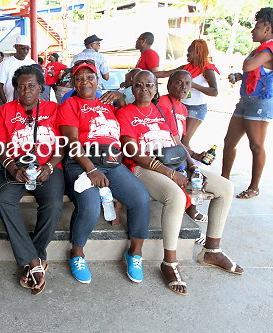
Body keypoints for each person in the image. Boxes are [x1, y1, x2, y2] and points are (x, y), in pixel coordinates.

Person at [116, 70, 243, 296]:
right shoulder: (125, 113)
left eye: (149, 84)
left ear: (156, 87)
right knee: (174, 196)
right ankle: (169, 263)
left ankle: (212, 250)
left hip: (175, 164)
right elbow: (133, 152)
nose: (144, 89)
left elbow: (177, 142)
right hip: (144, 168)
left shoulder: (163, 112)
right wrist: (171, 174)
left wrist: (194, 167)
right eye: (139, 85)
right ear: (132, 87)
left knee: (225, 187)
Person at [57, 61, 150, 285]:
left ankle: (135, 254)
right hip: (81, 163)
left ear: (98, 80)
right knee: (89, 205)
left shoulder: (109, 103)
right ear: (73, 83)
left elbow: (132, 107)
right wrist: (91, 169)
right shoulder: (70, 104)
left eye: (90, 77)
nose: (85, 82)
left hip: (111, 161)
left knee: (140, 198)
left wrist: (120, 94)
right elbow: (71, 142)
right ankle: (77, 253)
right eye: (79, 79)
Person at [0, 65, 64, 295]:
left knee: (54, 204)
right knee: (3, 200)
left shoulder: (54, 109)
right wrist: (14, 169)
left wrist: (49, 167)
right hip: (17, 168)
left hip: (48, 167)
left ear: (41, 88)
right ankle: (36, 261)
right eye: (21, 86)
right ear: (14, 88)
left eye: (31, 86)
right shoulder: (5, 111)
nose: (26, 91)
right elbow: (1, 148)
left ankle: (31, 257)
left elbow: (63, 146)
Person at [222, 7, 273, 199]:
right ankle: (224, 179)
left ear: (267, 27)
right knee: (229, 142)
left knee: (256, 145)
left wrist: (243, 69)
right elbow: (254, 71)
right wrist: (239, 76)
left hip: (260, 103)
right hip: (246, 100)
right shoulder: (260, 49)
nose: (253, 30)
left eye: (257, 26)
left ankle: (254, 187)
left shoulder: (269, 49)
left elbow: (249, 65)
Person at [158, 70, 208, 223]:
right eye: (179, 82)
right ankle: (189, 222)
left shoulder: (183, 109)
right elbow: (168, 140)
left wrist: (196, 156)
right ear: (169, 85)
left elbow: (181, 142)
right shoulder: (162, 103)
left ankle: (191, 216)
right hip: (163, 156)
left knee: (198, 178)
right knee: (189, 178)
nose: (184, 87)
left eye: (187, 83)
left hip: (177, 153)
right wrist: (190, 162)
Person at [154, 39, 219, 150]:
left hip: (196, 108)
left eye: (190, 52)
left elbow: (214, 91)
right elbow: (165, 73)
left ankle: (189, 164)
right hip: (181, 106)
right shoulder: (186, 67)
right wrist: (142, 73)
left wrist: (193, 85)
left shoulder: (207, 69)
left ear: (198, 52)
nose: (187, 54)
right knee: (176, 137)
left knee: (184, 140)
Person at [0, 35, 35, 105]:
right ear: (16, 47)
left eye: (27, 49)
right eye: (22, 48)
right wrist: (6, 104)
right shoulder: (6, 63)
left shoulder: (31, 63)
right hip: (11, 102)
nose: (25, 51)